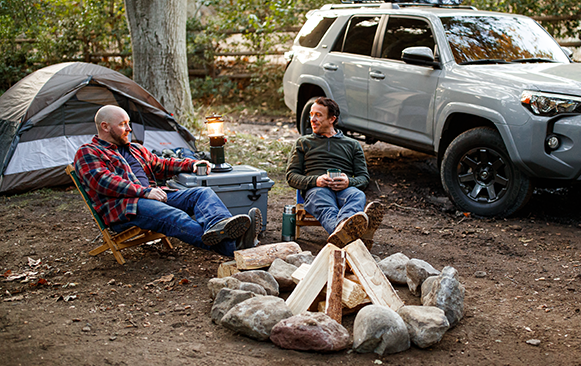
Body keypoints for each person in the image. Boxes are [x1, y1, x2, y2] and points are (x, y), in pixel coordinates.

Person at [74, 105, 261, 257]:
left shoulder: (135, 149)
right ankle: (234, 246)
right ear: (105, 127)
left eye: (128, 123)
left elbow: (161, 164)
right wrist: (144, 192)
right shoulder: (88, 152)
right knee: (174, 216)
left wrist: (192, 164)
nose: (129, 129)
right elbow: (103, 181)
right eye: (123, 124)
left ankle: (219, 227)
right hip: (126, 208)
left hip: (153, 196)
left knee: (201, 193)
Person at [286, 97, 384, 248]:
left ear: (332, 119)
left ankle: (344, 233)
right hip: (317, 190)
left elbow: (364, 178)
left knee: (358, 195)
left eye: (318, 115)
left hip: (344, 190)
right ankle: (354, 233)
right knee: (322, 200)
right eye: (311, 114)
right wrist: (316, 181)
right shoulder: (303, 143)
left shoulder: (352, 145)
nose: (312, 119)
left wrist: (348, 182)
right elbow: (291, 176)